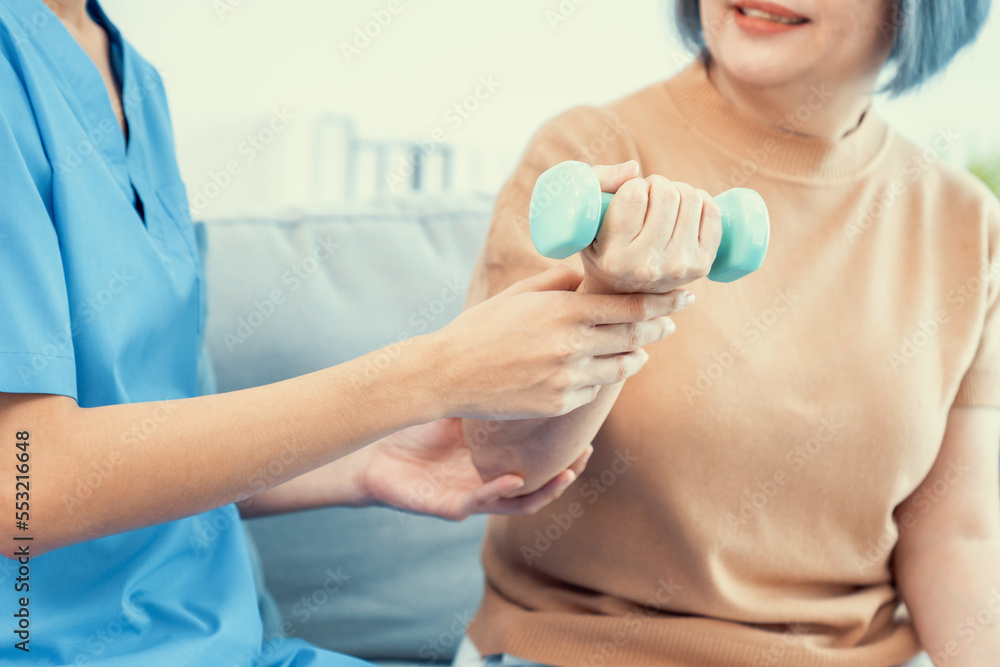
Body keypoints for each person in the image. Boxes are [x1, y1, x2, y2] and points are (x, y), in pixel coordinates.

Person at [0, 0, 692, 664]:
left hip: (235, 643)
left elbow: (146, 439)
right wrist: (429, 373)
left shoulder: (132, 78)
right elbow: (24, 486)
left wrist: (363, 462)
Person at [457, 0, 1000, 666]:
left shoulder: (968, 223)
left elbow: (954, 536)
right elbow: (503, 462)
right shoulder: (588, 158)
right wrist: (614, 295)